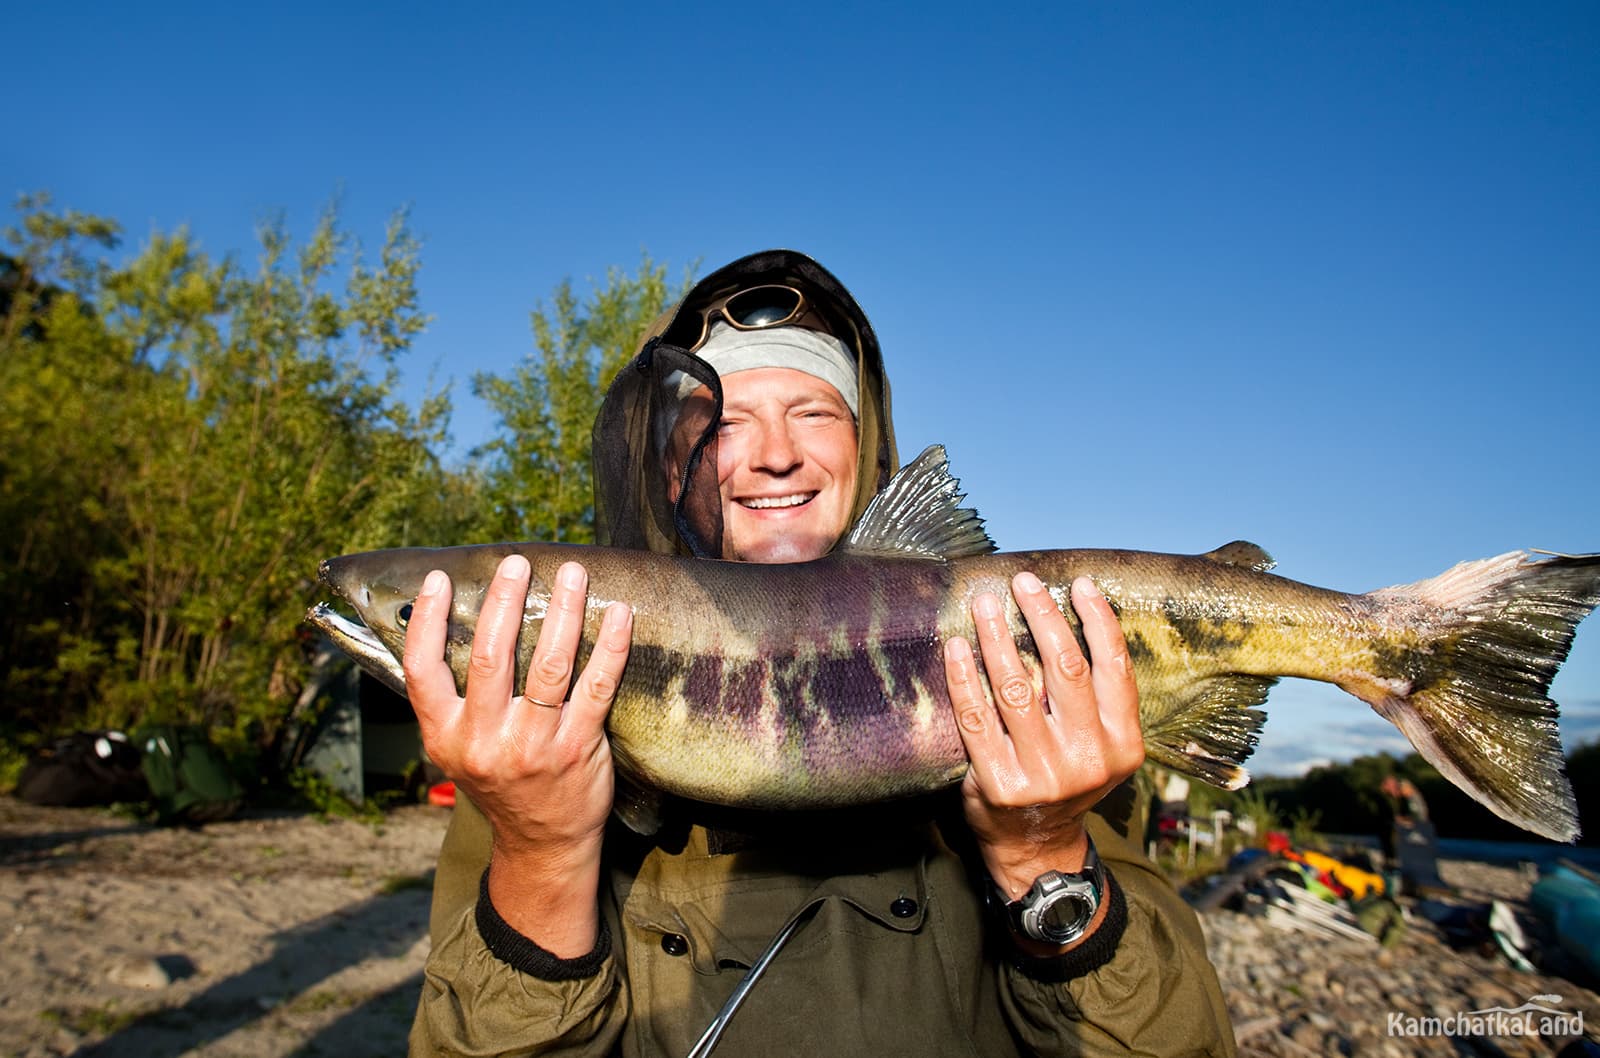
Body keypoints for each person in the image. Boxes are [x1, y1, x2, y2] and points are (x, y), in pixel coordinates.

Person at [405, 250, 1236, 1056]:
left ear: (867, 450)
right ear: (669, 470)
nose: (776, 452)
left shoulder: (1057, 699)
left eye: (813, 412)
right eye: (726, 424)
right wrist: (542, 854)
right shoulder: (520, 750)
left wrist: (1045, 855)